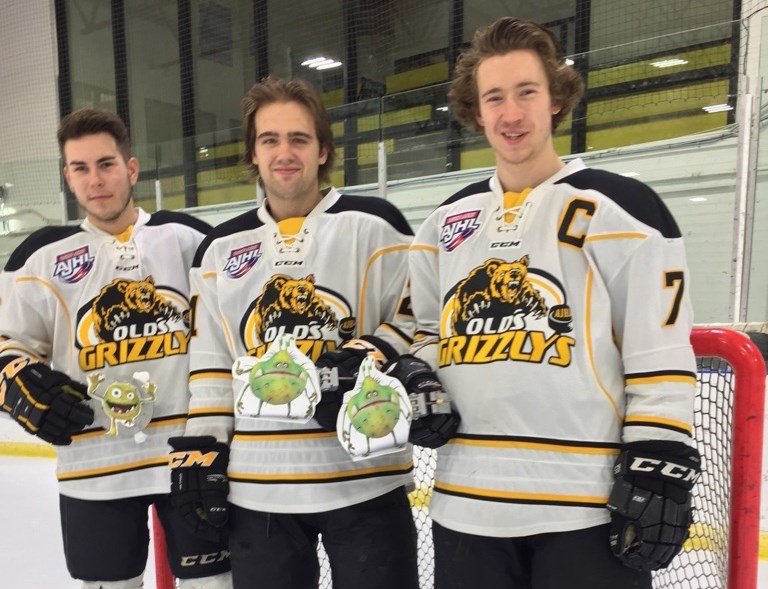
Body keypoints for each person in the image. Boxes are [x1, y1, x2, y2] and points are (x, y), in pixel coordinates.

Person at [405, 16, 701, 589]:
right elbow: (426, 333)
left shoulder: (624, 207)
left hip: (584, 507)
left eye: (526, 92)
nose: (511, 114)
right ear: (476, 109)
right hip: (467, 503)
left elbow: (659, 349)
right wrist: (419, 374)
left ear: (556, 100)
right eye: (495, 97)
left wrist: (659, 457)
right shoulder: (443, 224)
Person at [171, 76, 420, 589]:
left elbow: (420, 320)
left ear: (323, 150)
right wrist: (202, 455)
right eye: (270, 140)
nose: (284, 153)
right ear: (253, 154)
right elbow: (211, 368)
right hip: (260, 489)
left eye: (299, 139)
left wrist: (371, 351)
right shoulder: (219, 249)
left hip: (365, 481)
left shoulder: (375, 224)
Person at [0, 108, 232, 589]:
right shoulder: (40, 257)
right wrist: (16, 379)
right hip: (94, 466)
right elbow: (9, 342)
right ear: (67, 176)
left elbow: (229, 330)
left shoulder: (190, 239)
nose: (95, 180)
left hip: (188, 460)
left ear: (131, 168)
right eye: (80, 168)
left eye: (106, 164)